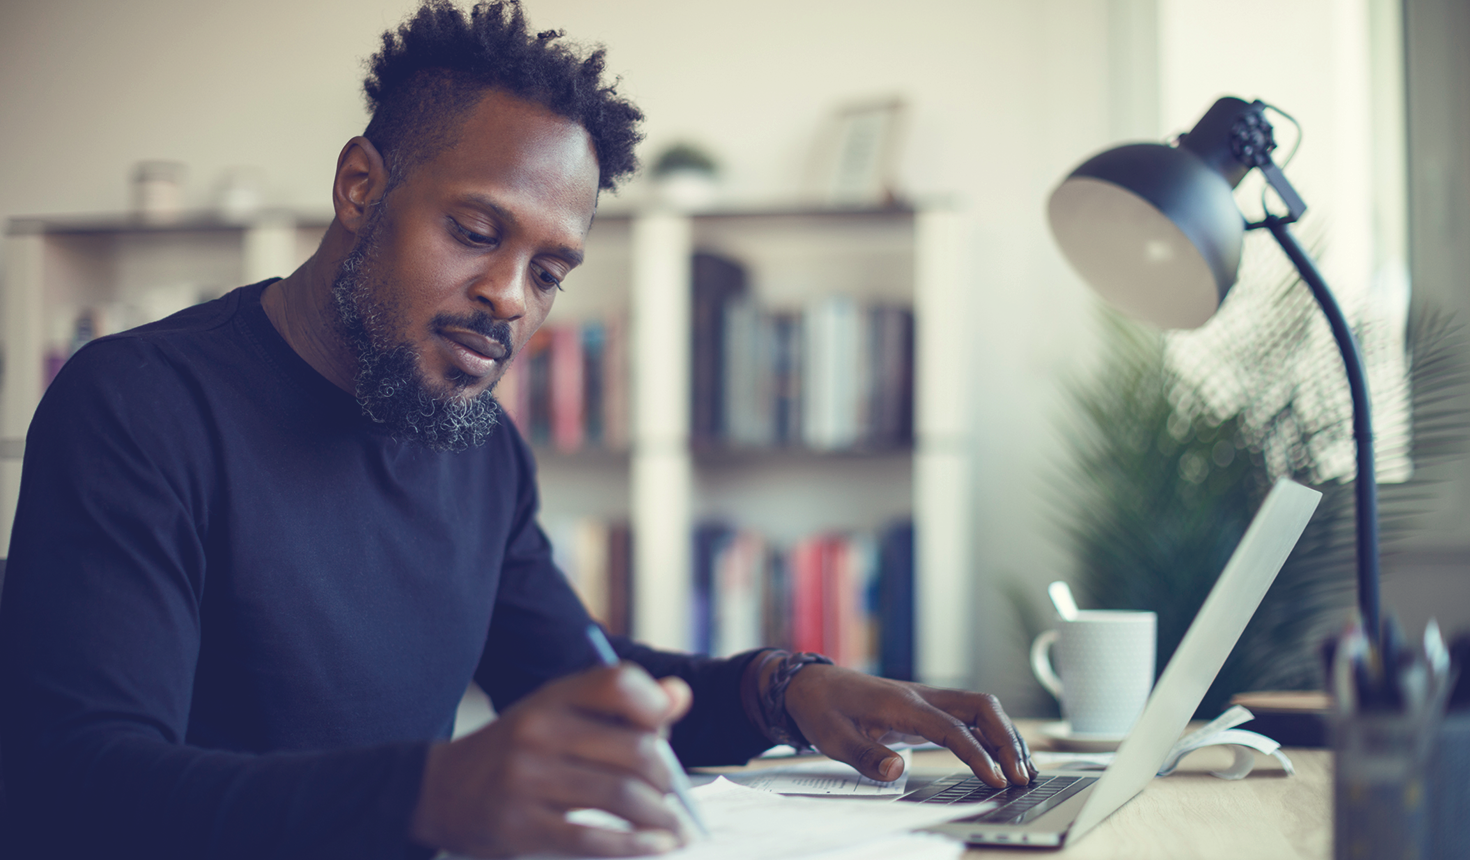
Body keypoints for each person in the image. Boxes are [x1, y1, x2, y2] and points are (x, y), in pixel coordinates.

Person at [0, 2, 1035, 858]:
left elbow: (586, 678)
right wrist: (432, 791)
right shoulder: (137, 406)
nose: (507, 296)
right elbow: (79, 783)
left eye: (548, 271)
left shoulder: (480, 448)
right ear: (360, 187)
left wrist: (784, 688)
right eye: (476, 230)